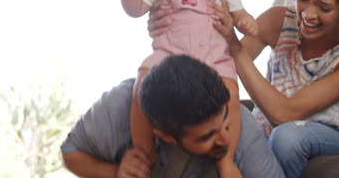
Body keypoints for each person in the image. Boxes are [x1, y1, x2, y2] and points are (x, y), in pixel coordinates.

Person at [148, 0, 339, 178]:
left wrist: (234, 45)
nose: (307, 14)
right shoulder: (280, 20)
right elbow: (216, 62)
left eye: (324, 7)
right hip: (274, 126)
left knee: (288, 137)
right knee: (228, 120)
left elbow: (286, 114)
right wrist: (169, 27)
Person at [120, 0, 258, 175]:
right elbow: (136, 9)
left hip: (213, 56)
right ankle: (143, 151)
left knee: (230, 91)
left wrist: (247, 22)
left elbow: (240, 15)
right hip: (169, 55)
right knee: (142, 81)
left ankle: (225, 159)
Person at [61, 55, 285, 178]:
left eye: (224, 122)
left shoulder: (241, 126)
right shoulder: (116, 107)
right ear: (165, 136)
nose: (226, 140)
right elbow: (71, 154)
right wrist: (114, 172)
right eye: (207, 136)